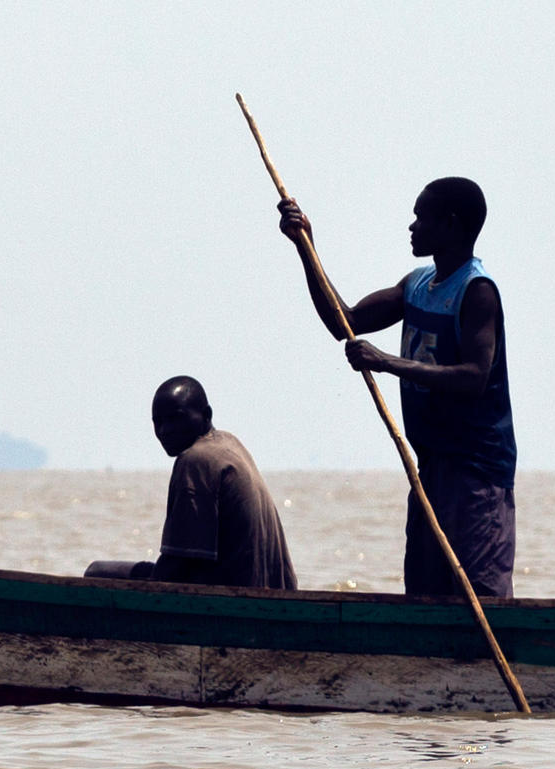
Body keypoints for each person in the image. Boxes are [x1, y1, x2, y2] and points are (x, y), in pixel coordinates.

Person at [274, 176, 515, 600]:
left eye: (422, 217)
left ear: (452, 225)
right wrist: (304, 246)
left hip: (476, 474)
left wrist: (387, 362)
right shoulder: (417, 285)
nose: (412, 227)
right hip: (431, 467)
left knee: (480, 598)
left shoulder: (477, 292)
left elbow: (474, 377)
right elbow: (343, 321)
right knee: (424, 592)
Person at [82, 377, 297, 588]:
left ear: (206, 415)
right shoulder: (229, 445)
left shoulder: (196, 459)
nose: (165, 430)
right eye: (158, 422)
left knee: (96, 573)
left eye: (176, 419)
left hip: (233, 601)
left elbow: (178, 565)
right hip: (270, 592)